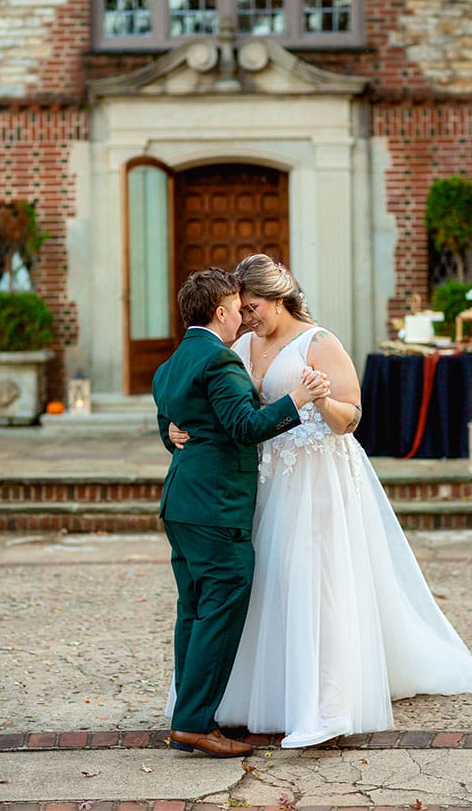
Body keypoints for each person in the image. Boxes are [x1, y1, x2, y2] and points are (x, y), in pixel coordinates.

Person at [170, 254, 472, 750]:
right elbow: (222, 407)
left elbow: (351, 418)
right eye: (243, 307)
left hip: (316, 478)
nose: (248, 315)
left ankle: (324, 704)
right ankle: (249, 696)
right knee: (264, 587)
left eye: (254, 306)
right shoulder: (238, 344)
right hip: (261, 479)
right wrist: (176, 428)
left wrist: (317, 399)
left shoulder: (319, 343)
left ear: (278, 300)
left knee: (315, 584)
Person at [152, 267, 329, 759]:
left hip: (180, 504)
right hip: (215, 508)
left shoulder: (172, 364)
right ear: (220, 312)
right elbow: (245, 427)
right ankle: (193, 724)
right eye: (237, 308)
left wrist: (171, 433)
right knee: (220, 608)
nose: (242, 318)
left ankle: (188, 716)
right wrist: (298, 398)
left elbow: (168, 417)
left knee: (192, 610)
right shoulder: (220, 362)